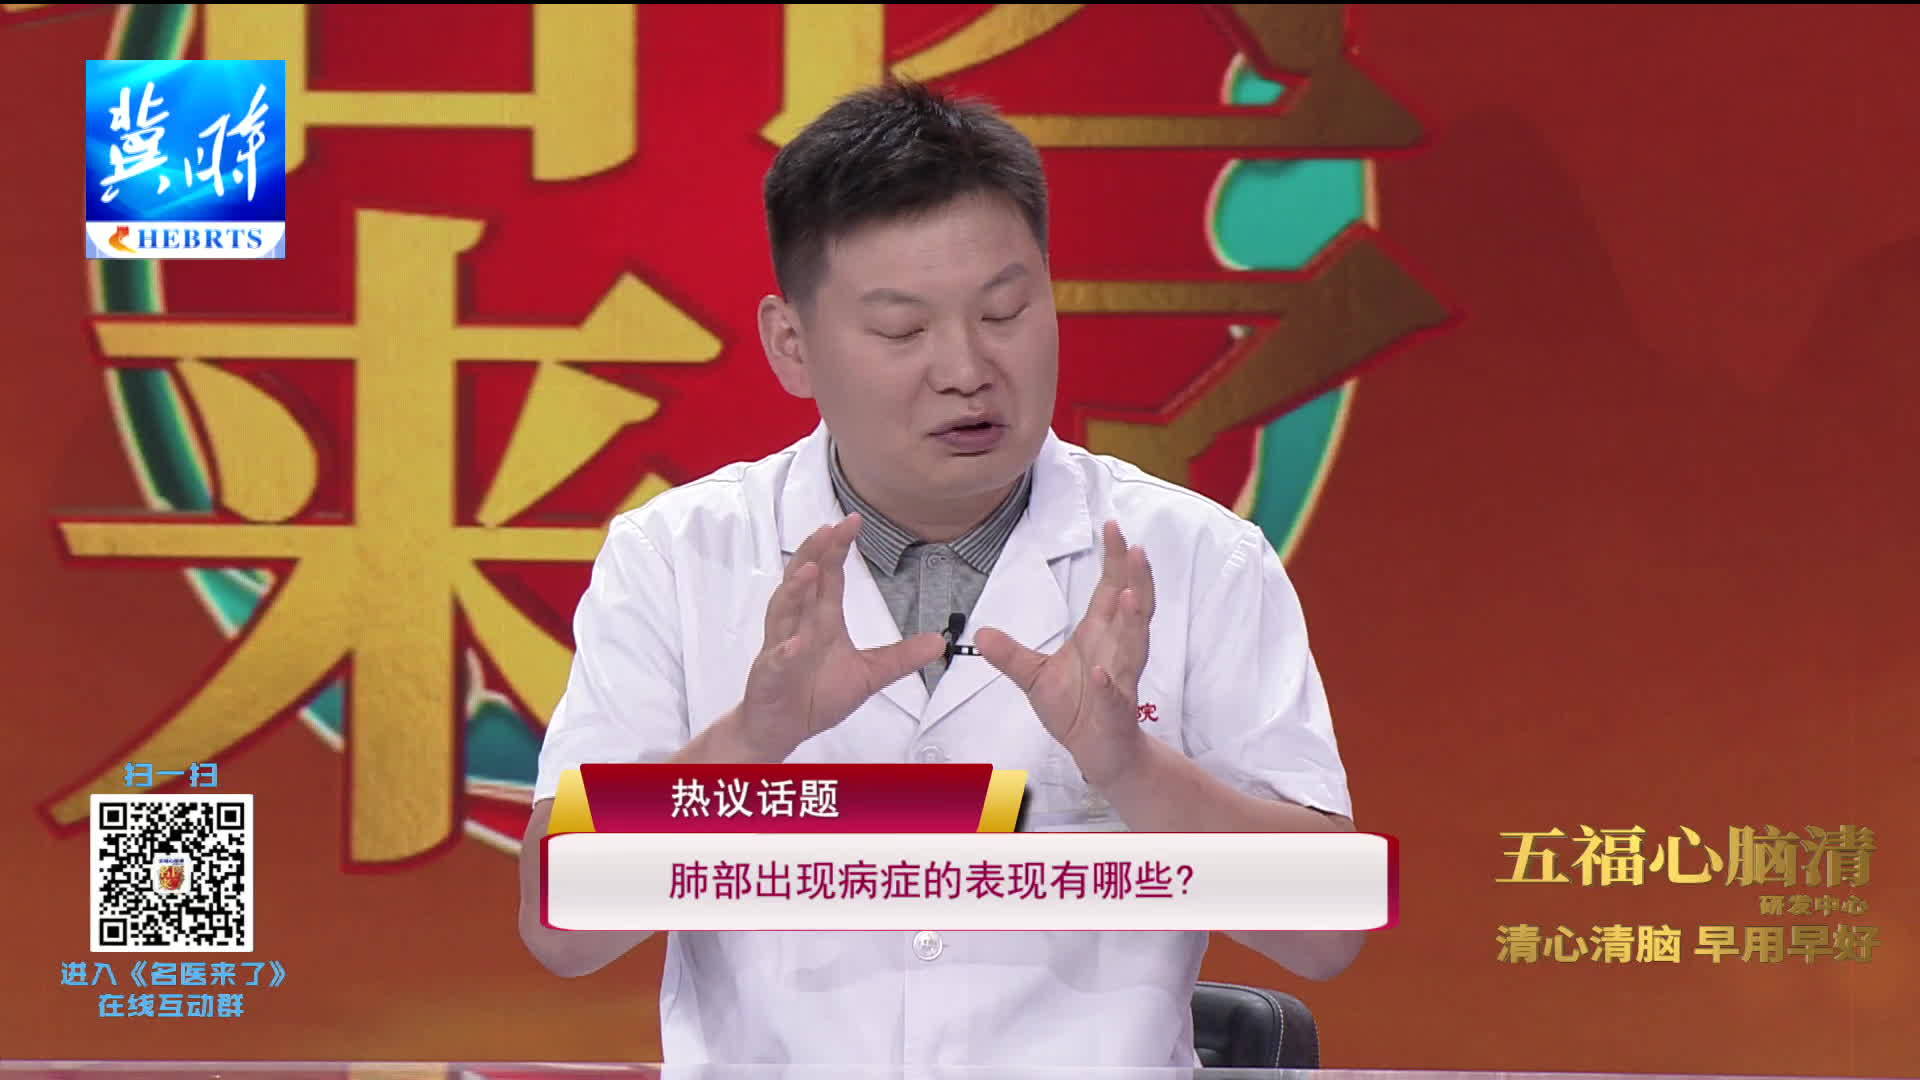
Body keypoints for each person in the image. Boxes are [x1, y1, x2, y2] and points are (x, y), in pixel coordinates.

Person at [518, 79, 1361, 1067]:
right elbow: (562, 930)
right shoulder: (676, 556)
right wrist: (753, 739)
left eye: (1005, 311)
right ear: (792, 345)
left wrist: (1128, 766)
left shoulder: (1193, 558)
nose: (966, 368)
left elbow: (1327, 932)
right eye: (902, 331)